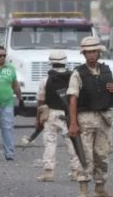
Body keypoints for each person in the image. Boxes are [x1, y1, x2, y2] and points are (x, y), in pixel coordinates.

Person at [67, 36, 113, 197]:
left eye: (94, 51)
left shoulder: (106, 70)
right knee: (85, 155)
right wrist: (73, 123)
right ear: (84, 54)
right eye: (88, 52)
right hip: (85, 118)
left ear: (99, 53)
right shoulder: (78, 73)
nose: (91, 55)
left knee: (102, 155)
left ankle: (100, 188)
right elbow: (73, 98)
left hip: (104, 118)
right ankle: (83, 188)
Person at [34, 50, 81, 182]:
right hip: (69, 114)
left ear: (51, 63)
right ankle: (76, 171)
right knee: (72, 143)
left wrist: (38, 118)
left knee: (50, 143)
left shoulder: (45, 80)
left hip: (51, 115)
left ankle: (48, 172)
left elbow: (40, 100)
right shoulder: (74, 78)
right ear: (65, 62)